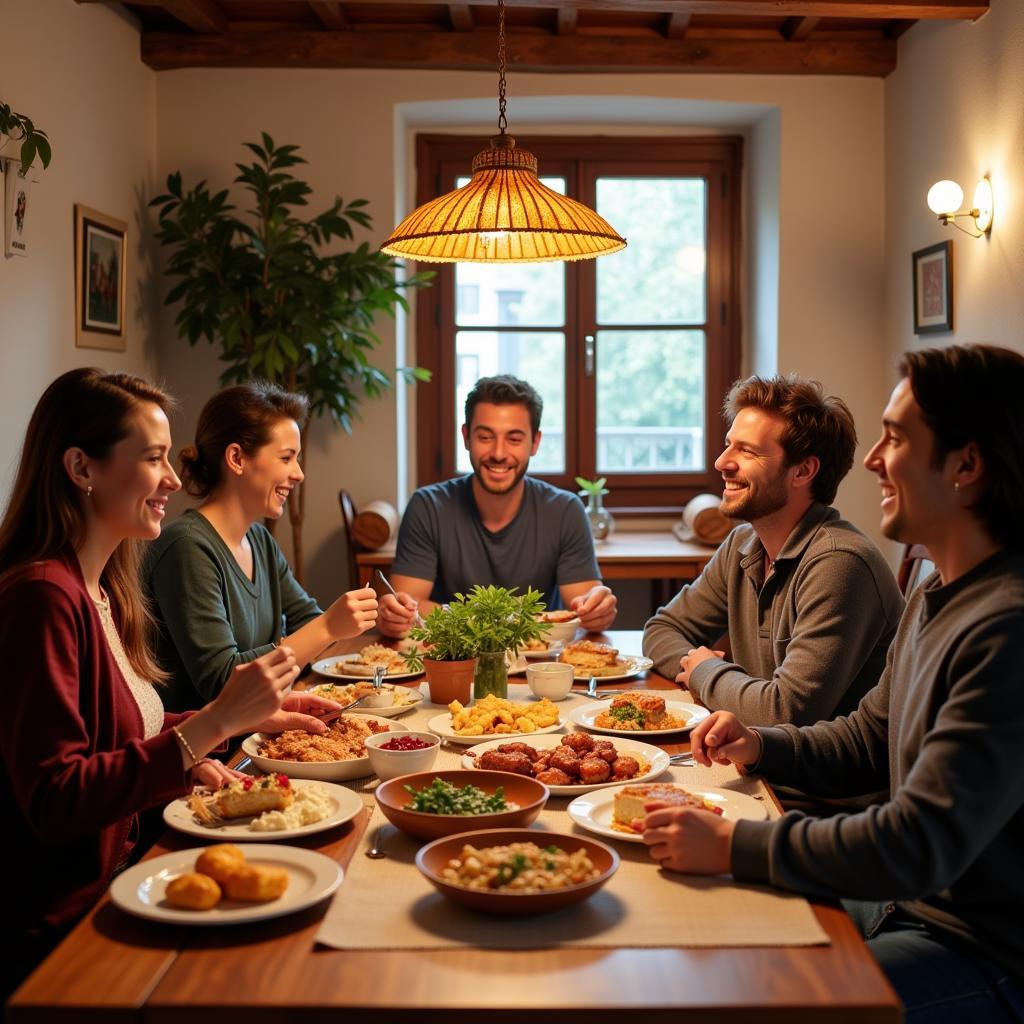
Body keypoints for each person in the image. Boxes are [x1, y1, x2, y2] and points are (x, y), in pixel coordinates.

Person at [636, 345, 1024, 1021]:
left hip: (978, 948)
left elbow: (918, 843)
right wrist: (761, 745)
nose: (873, 459)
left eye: (897, 439)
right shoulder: (938, 590)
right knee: (685, 947)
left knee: (738, 997)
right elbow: (868, 737)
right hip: (897, 901)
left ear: (966, 465)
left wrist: (733, 845)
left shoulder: (1006, 628)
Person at [0, 369, 342, 997]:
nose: (175, 480)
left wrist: (236, 720)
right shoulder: (43, 598)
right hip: (66, 931)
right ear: (82, 467)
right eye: (153, 459)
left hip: (128, 875)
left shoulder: (103, 588)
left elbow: (132, 735)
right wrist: (213, 725)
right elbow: (55, 798)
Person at [643, 374, 903, 727]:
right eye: (728, 444)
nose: (722, 462)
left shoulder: (840, 563)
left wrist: (707, 672)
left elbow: (783, 713)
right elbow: (661, 629)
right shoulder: (742, 543)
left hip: (812, 780)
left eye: (746, 451)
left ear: (803, 471)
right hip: (754, 754)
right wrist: (719, 679)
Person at [146, 383, 379, 712]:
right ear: (237, 458)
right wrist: (328, 627)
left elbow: (307, 621)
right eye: (287, 458)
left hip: (259, 728)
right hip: (210, 753)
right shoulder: (186, 548)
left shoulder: (259, 541)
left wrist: (363, 619)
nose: (298, 474)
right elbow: (222, 682)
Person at [378, 374, 617, 637]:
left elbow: (582, 606)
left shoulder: (564, 510)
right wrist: (396, 615)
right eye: (485, 437)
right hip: (452, 657)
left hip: (539, 663)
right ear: (466, 437)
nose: (499, 453)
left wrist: (597, 609)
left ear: (534, 443)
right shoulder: (428, 507)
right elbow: (408, 606)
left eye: (514, 439)